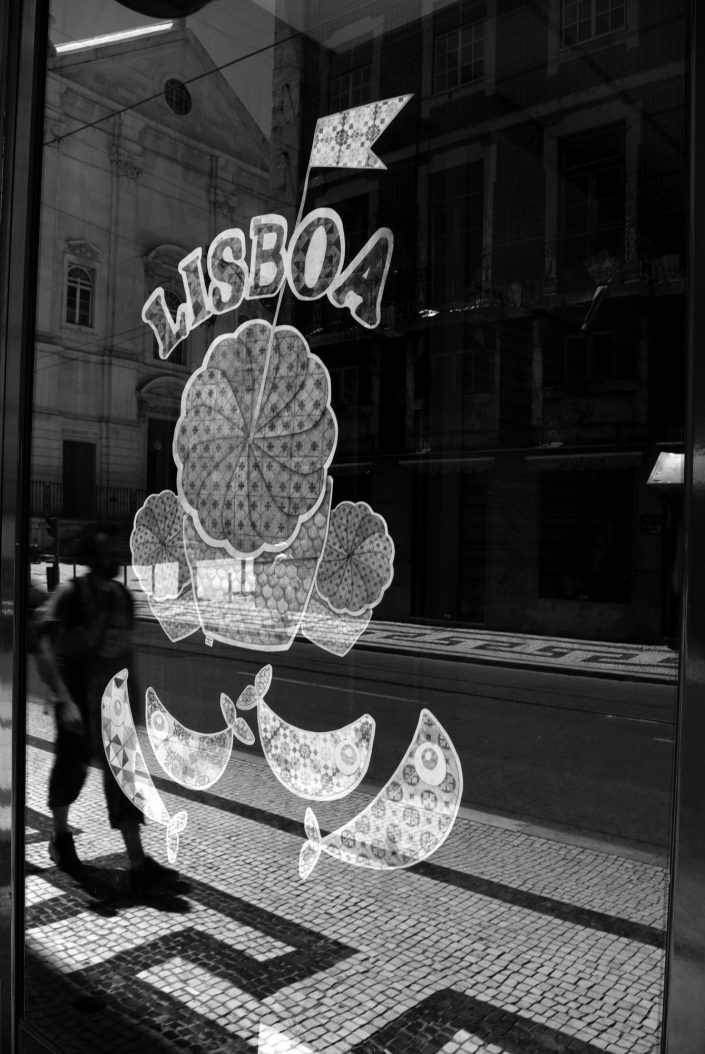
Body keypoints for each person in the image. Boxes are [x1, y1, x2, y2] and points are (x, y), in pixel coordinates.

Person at [34, 521, 177, 891]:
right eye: (107, 550)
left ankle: (138, 861)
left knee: (123, 780)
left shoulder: (122, 598)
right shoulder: (71, 594)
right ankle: (60, 837)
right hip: (77, 701)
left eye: (117, 549)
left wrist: (134, 701)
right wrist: (64, 699)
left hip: (112, 704)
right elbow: (44, 647)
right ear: (92, 555)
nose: (115, 555)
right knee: (70, 772)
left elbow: (126, 653)